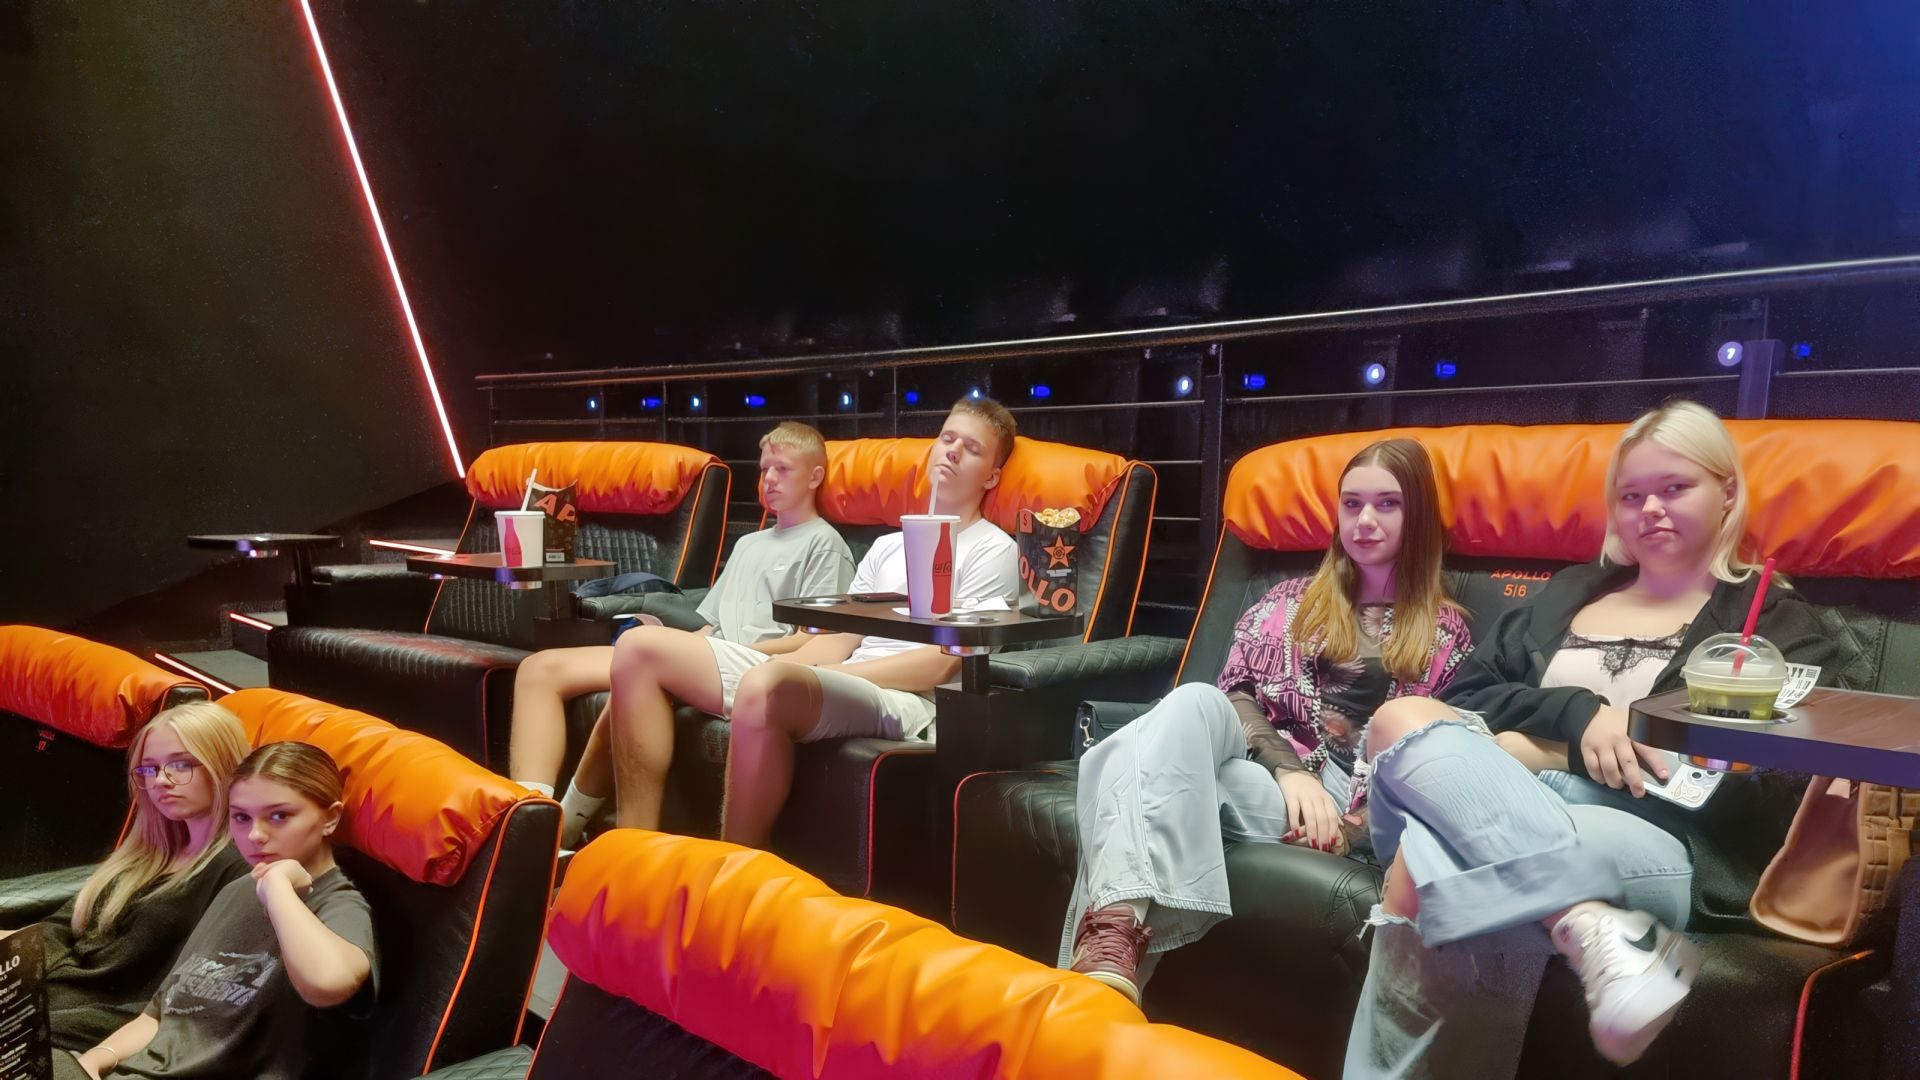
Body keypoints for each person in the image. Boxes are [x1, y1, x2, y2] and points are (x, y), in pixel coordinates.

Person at [1344, 401, 1850, 1076]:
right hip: (1510, 803)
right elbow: (1464, 697)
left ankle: (1579, 916)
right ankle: (1586, 917)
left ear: (1727, 493)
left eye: (1675, 488)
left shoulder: (1772, 625)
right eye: (1632, 495)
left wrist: (1541, 753)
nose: (1651, 510)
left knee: (1433, 858)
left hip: (1661, 833)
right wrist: (1579, 714)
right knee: (1399, 718)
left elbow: (1775, 787)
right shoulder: (1571, 592)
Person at [1061, 438, 1474, 1005]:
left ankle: (1100, 974)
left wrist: (1349, 829)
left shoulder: (1446, 633)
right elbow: (1234, 693)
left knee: (1125, 760)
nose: (1365, 521)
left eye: (1388, 504)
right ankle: (1115, 943)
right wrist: (1290, 771)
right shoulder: (1289, 599)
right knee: (1191, 701)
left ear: (1418, 514)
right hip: (1271, 770)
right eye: (1352, 504)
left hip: (1349, 804)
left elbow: (1435, 761)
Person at [602, 395, 1021, 845]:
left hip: (909, 701)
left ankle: (738, 862)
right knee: (639, 649)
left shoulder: (995, 550)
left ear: (992, 476)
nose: (952, 452)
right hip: (848, 675)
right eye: (947, 439)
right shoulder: (888, 546)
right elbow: (838, 638)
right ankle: (633, 845)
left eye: (971, 449)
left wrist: (828, 674)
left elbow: (943, 664)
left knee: (769, 685)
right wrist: (790, 664)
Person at [507, 420, 855, 844]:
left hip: (757, 662)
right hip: (710, 651)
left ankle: (567, 828)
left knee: (634, 670)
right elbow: (713, 622)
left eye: (783, 469)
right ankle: (527, 824)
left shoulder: (825, 544)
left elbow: (816, 639)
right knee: (539, 670)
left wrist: (719, 648)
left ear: (815, 476)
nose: (769, 479)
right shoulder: (749, 543)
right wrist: (678, 640)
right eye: (765, 469)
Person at [63, 742, 379, 1080]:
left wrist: (277, 887)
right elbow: (159, 1014)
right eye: (241, 817)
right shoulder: (237, 891)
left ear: (330, 818)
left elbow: (327, 983)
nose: (255, 835)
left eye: (279, 816)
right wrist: (96, 1059)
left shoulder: (341, 904)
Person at [17, 703, 253, 1052]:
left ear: (224, 766)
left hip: (88, 1031)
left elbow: (174, 1003)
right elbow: (62, 929)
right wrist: (11, 959)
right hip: (40, 999)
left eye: (180, 765)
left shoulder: (239, 869)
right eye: (149, 769)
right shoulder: (147, 853)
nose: (160, 781)